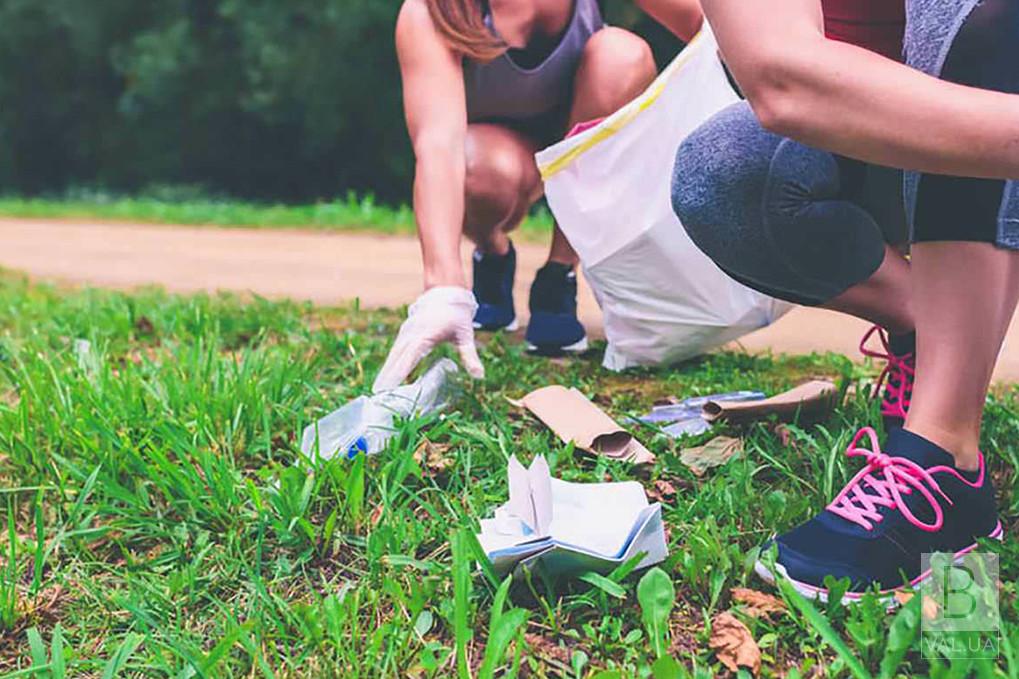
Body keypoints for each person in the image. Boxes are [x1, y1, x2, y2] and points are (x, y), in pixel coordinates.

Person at [672, 0, 1018, 600]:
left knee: (972, 17)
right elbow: (782, 77)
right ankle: (937, 401)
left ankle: (941, 448)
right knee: (719, 174)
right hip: (909, 129)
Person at [374, 0, 703, 392]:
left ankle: (557, 276)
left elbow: (711, 30)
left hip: (581, 142)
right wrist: (443, 287)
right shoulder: (431, 13)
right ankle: (493, 253)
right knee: (477, 171)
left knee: (623, 55)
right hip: (497, 157)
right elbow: (438, 145)